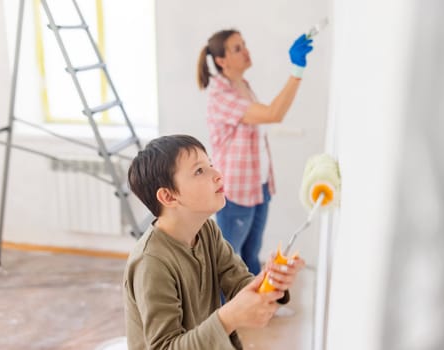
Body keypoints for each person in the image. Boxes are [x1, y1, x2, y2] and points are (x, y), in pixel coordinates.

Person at [123, 134, 305, 349]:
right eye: (199, 170)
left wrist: (272, 280)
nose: (218, 174)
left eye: (210, 165)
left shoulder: (207, 231)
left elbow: (239, 284)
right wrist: (227, 318)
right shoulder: (151, 263)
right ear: (169, 197)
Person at [196, 30, 313, 276]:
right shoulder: (221, 95)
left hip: (258, 186)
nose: (246, 51)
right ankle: (226, 313)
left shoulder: (242, 86)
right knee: (229, 264)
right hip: (236, 192)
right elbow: (273, 114)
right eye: (237, 48)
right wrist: (297, 70)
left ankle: (253, 311)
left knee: (251, 255)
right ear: (221, 61)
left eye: (244, 44)